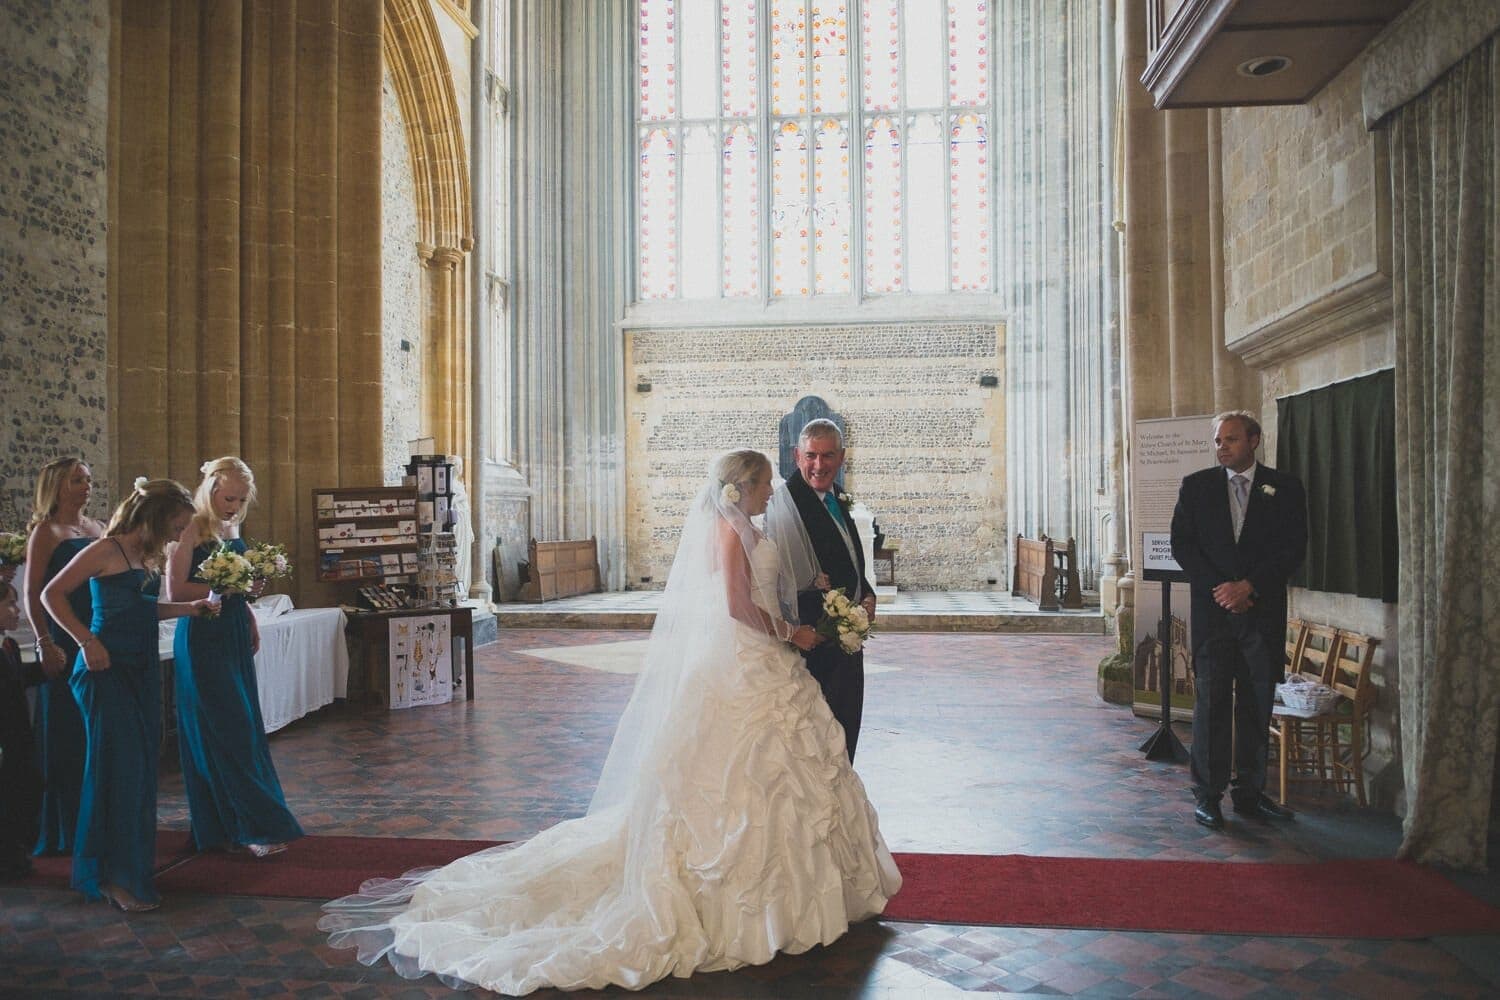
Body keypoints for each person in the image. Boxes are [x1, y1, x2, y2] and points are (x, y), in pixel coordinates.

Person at [320, 449, 901, 995]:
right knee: (736, 773)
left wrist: (797, 619)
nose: (773, 489)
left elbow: (764, 590)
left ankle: (806, 890)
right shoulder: (728, 531)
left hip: (768, 659)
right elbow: (734, 605)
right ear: (742, 487)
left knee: (790, 769)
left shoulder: (756, 527)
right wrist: (785, 633)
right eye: (765, 482)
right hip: (746, 655)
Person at [41, 478, 219, 912]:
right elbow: (52, 594)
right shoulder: (107, 549)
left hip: (140, 670)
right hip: (104, 669)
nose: (180, 536)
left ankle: (127, 870)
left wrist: (190, 609)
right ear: (156, 519)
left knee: (139, 771)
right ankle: (110, 877)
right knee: (118, 771)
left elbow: (146, 610)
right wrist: (85, 641)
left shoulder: (146, 557)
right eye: (177, 526)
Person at [1170, 411, 1308, 829]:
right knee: (1211, 703)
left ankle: (1250, 792)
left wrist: (1250, 587)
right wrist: (1223, 589)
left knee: (1256, 702)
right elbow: (1183, 545)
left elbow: (1293, 548)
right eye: (1217, 441)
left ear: (1254, 440)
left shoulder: (1284, 488)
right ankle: (1208, 794)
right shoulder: (1196, 488)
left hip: (1260, 613)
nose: (1221, 447)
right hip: (1214, 615)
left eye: (1230, 439)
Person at [165, 457, 304, 858]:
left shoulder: (233, 527)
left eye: (241, 500)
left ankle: (239, 824)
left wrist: (249, 610)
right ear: (209, 489)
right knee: (224, 729)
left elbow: (238, 590)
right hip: (201, 636)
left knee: (244, 727)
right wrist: (226, 584)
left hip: (231, 632)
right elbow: (175, 591)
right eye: (228, 497)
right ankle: (246, 826)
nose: (234, 506)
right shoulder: (189, 527)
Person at [764, 418, 877, 761]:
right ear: (797, 456)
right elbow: (779, 583)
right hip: (816, 648)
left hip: (846, 642)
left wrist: (867, 592)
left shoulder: (836, 497)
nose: (819, 465)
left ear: (842, 457)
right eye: (811, 455)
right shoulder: (786, 505)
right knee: (822, 745)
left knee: (845, 732)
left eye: (828, 456)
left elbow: (848, 557)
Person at [22, 456, 105, 856]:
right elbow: (33, 591)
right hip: (65, 635)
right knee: (68, 730)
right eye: (77, 480)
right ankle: (65, 824)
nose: (86, 486)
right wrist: (44, 641)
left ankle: (97, 816)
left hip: (98, 631)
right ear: (57, 486)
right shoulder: (46, 531)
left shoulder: (97, 528)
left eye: (88, 479)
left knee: (96, 729)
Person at [0, 582, 44, 879]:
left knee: (20, 792)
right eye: (10, 604)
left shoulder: (9, 645)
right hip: (4, 739)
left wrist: (44, 671)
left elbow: (16, 682)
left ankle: (16, 850)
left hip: (18, 736)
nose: (17, 611)